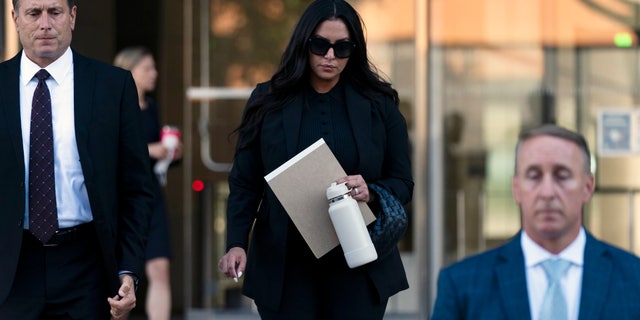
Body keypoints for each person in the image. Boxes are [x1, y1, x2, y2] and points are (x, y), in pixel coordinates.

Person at [217, 0, 413, 318]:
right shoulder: (268, 102)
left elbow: (403, 183)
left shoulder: (380, 106)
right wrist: (236, 242)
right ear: (304, 42)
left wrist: (372, 190)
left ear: (355, 49)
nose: (330, 56)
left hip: (358, 263)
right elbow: (245, 182)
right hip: (286, 265)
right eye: (321, 45)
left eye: (342, 47)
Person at [0, 0, 154, 319]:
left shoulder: (113, 86)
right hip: (10, 269)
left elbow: (136, 187)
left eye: (54, 12)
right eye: (33, 13)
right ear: (15, 18)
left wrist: (128, 269)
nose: (45, 23)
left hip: (87, 268)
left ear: (72, 16)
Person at [431, 124, 640, 320]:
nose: (547, 192)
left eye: (562, 175)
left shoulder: (634, 278)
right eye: (534, 176)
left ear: (588, 186)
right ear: (516, 188)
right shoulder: (462, 284)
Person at [114, 46, 182, 320]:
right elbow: (109, 150)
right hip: (119, 198)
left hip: (150, 196)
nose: (154, 74)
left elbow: (155, 152)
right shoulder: (113, 106)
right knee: (119, 275)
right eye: (147, 68)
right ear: (129, 70)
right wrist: (149, 149)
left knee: (159, 268)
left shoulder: (151, 107)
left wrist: (172, 153)